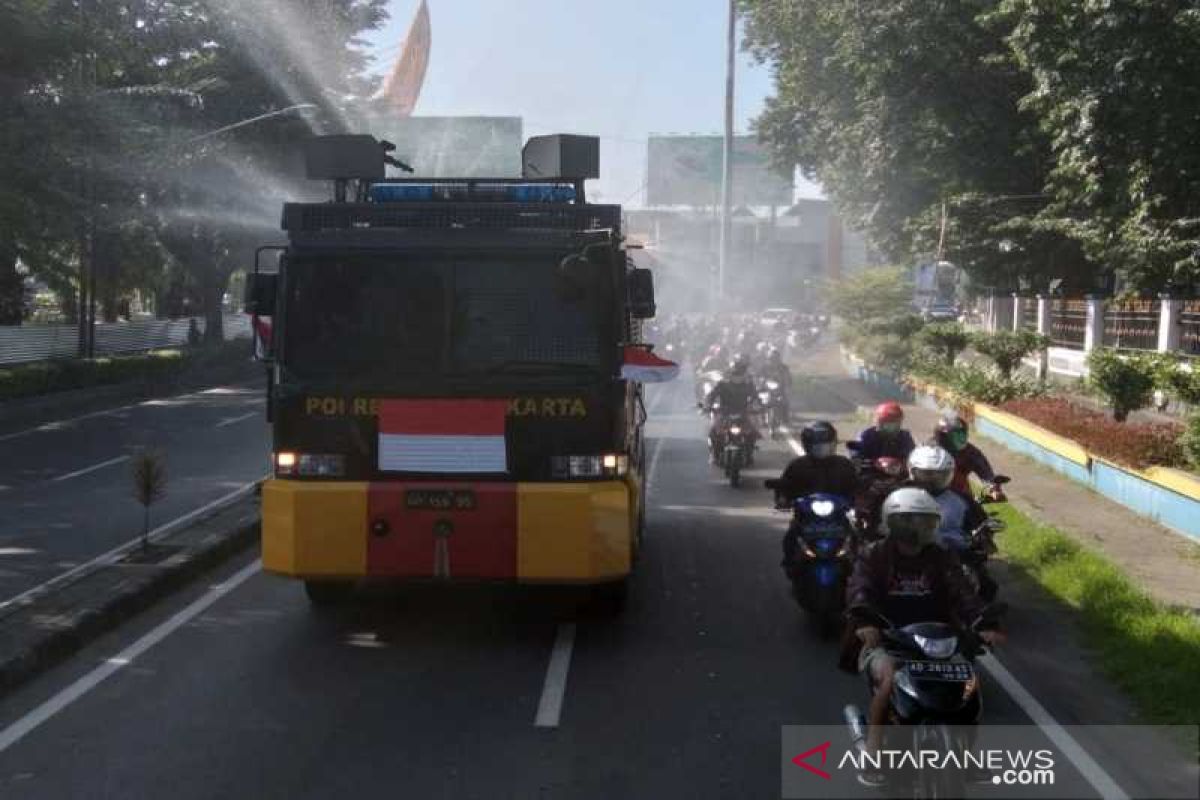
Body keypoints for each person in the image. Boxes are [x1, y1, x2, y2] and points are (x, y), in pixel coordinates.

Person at [841, 487, 1005, 787]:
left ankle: (968, 757)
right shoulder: (874, 554)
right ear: (895, 523)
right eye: (913, 522)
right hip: (888, 638)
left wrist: (983, 622)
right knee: (888, 679)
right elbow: (859, 587)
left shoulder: (941, 557)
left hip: (939, 639)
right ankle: (873, 758)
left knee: (969, 684)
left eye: (927, 522)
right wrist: (865, 620)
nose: (922, 529)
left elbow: (962, 592)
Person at [775, 421, 859, 569]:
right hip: (806, 518)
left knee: (856, 536)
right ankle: (789, 563)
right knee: (791, 536)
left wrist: (859, 499)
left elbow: (856, 485)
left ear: (833, 443)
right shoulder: (797, 466)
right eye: (817, 444)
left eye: (825, 443)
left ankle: (858, 569)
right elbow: (785, 485)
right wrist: (783, 498)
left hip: (837, 517)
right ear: (808, 444)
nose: (821, 448)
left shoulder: (844, 465)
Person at [704, 355, 760, 459]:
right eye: (735, 373)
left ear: (743, 374)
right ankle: (715, 452)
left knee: (752, 431)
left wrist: (758, 406)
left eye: (739, 373)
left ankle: (749, 452)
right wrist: (708, 405)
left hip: (742, 412)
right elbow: (711, 395)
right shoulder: (722, 384)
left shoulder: (748, 384)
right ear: (730, 373)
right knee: (714, 430)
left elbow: (755, 397)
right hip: (725, 412)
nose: (737, 376)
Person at [932, 413, 999, 498]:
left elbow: (983, 468)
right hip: (933, 495)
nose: (962, 439)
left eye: (963, 434)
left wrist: (993, 488)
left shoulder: (969, 451)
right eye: (956, 435)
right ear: (943, 436)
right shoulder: (929, 449)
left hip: (962, 494)